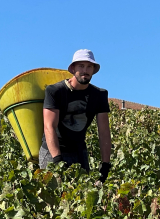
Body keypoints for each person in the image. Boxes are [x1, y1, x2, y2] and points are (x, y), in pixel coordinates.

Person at [39, 49, 112, 185]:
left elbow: (104, 132)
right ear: (72, 69)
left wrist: (106, 164)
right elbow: (49, 127)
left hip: (79, 151)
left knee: (82, 197)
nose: (85, 70)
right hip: (52, 151)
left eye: (89, 66)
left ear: (93, 70)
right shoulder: (55, 91)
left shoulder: (99, 95)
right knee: (53, 197)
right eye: (81, 66)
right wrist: (57, 160)